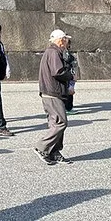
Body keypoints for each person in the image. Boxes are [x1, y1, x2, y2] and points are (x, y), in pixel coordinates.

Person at [34, 29, 74, 166]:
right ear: (61, 40)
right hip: (52, 92)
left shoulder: (52, 51)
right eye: (66, 39)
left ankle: (54, 151)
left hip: (50, 92)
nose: (67, 42)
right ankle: (42, 147)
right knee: (61, 122)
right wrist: (70, 75)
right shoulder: (54, 52)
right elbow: (58, 71)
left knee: (55, 123)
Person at [63, 39, 79, 114]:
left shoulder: (67, 53)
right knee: (67, 90)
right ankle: (67, 108)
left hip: (69, 74)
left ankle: (68, 107)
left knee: (69, 90)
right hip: (65, 74)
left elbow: (73, 64)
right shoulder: (60, 52)